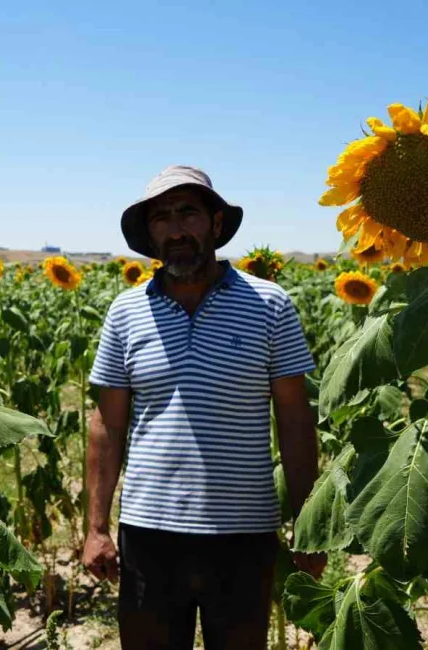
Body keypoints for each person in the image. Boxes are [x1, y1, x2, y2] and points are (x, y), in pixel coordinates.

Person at [83, 165, 324, 649]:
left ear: (216, 224)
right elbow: (107, 426)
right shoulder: (125, 312)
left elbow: (296, 422)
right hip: (149, 533)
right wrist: (96, 528)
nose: (175, 229)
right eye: (161, 218)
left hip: (244, 533)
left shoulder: (270, 305)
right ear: (149, 234)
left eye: (188, 213)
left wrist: (310, 523)